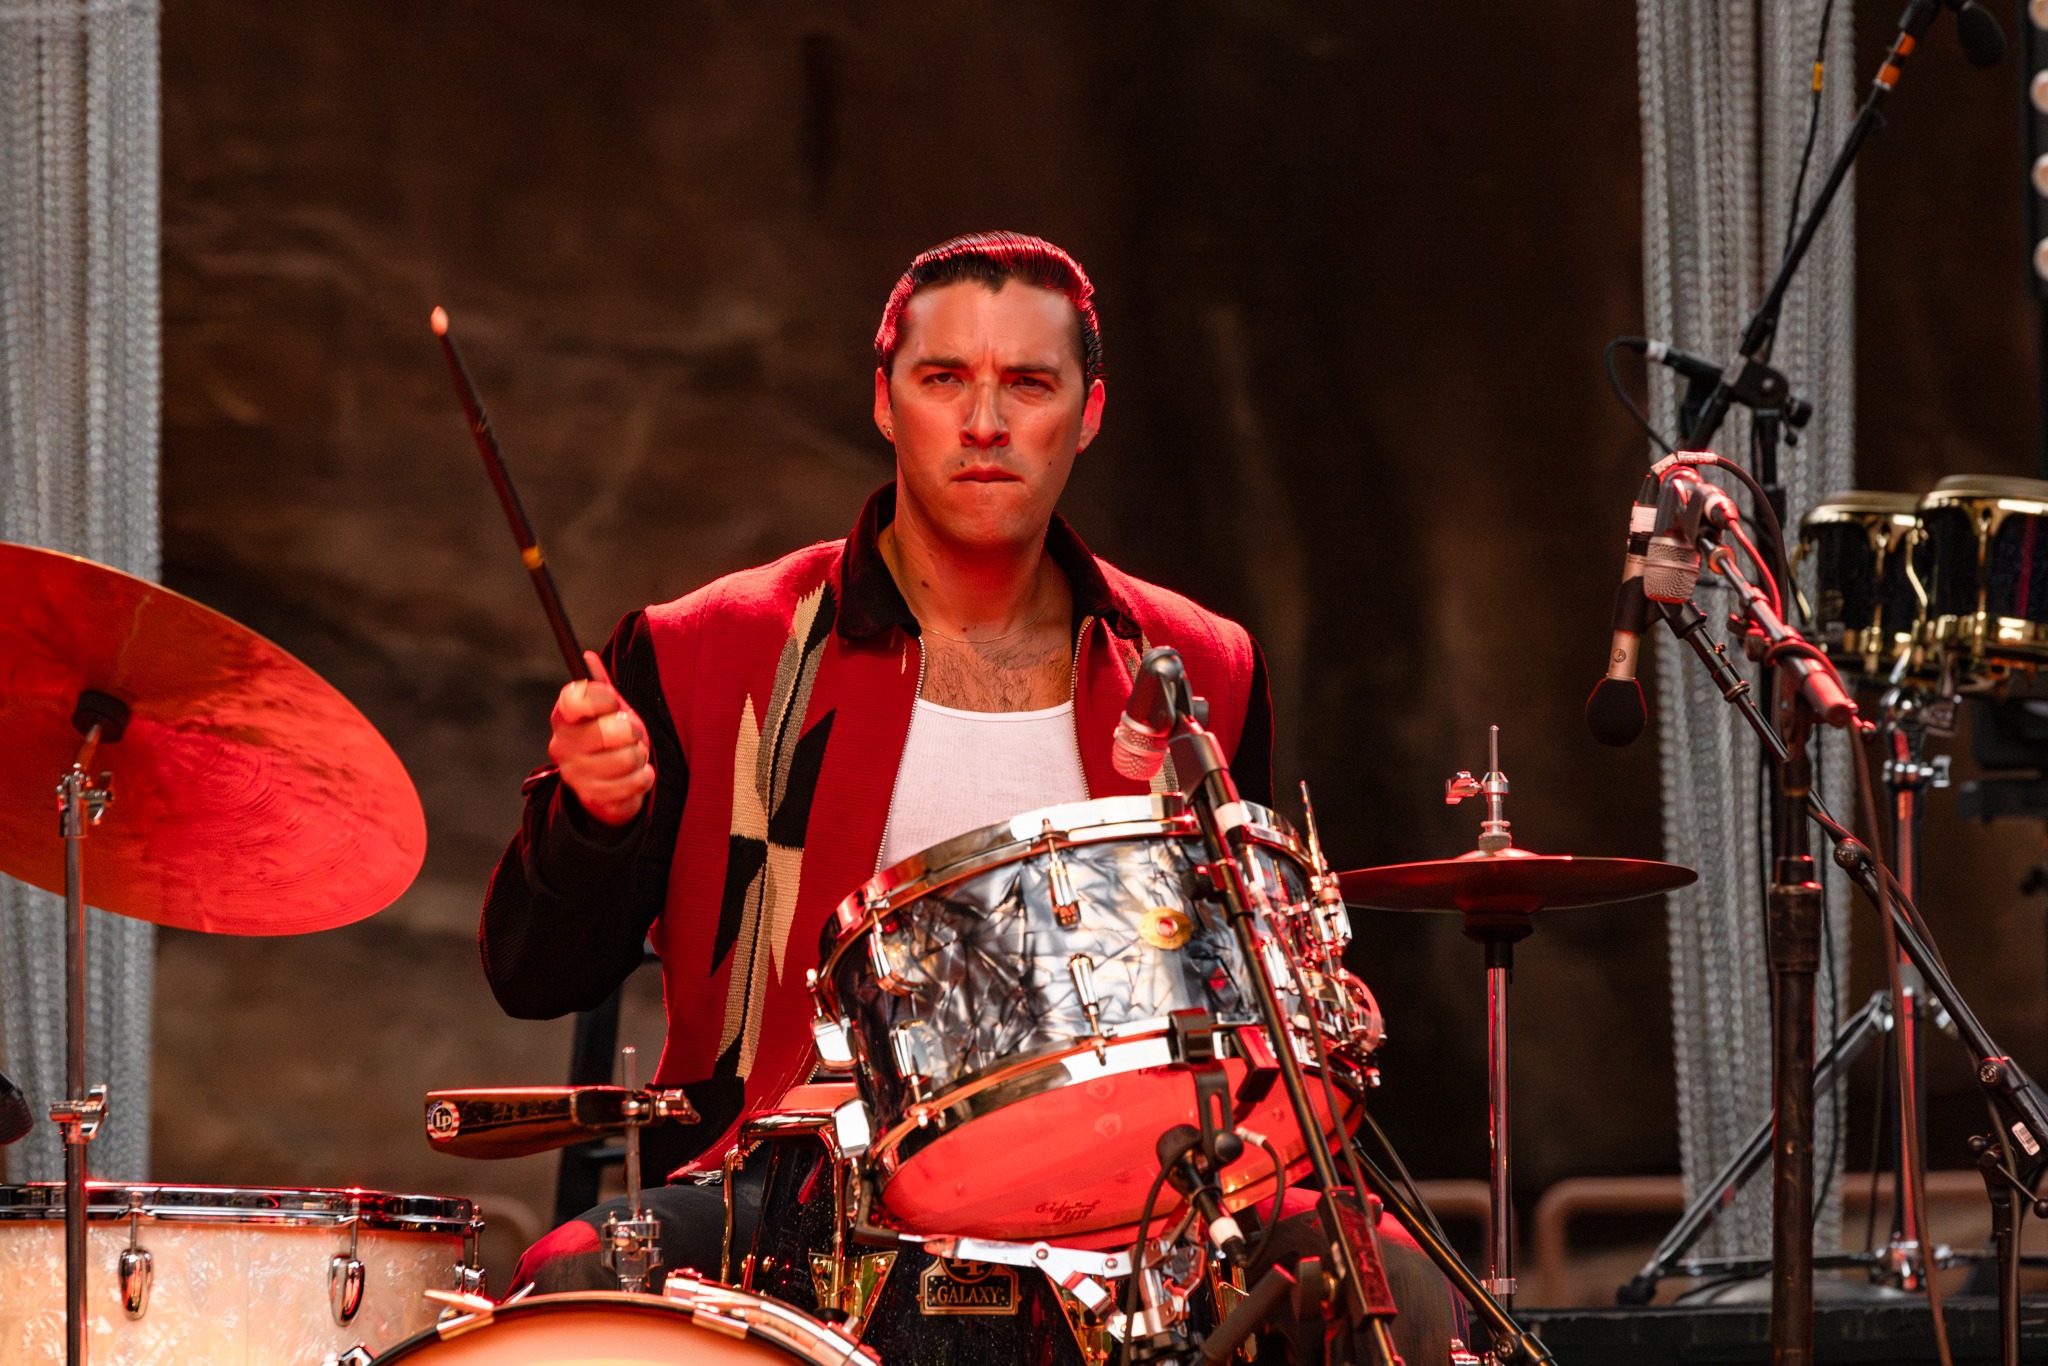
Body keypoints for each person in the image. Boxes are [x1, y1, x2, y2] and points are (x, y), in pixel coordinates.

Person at [480, 231, 1456, 1361]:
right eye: (944, 379)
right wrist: (593, 822)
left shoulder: (1197, 661)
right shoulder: (707, 649)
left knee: (1387, 1279)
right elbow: (532, 974)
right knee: (576, 1278)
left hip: (1141, 1190)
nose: (984, 422)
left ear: (1087, 414)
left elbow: (1240, 983)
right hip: (792, 1189)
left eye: (1028, 384)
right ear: (885, 402)